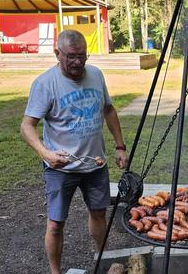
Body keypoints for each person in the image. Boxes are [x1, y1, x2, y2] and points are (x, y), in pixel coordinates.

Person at [20, 30, 128, 274]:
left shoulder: (96, 75)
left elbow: (109, 110)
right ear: (57, 53)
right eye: (70, 56)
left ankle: (104, 261)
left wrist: (120, 146)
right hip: (60, 168)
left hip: (95, 163)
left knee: (99, 214)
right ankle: (55, 272)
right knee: (56, 224)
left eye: (82, 56)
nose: (77, 62)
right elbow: (27, 125)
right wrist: (44, 152)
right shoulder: (45, 84)